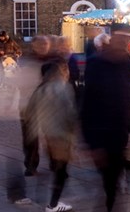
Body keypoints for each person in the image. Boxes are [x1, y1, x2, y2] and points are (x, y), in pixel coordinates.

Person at [80, 23, 130, 212]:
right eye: (123, 40)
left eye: (128, 40)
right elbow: (87, 102)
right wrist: (93, 144)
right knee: (109, 183)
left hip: (119, 131)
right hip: (101, 130)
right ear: (113, 39)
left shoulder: (127, 63)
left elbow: (129, 93)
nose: (126, 44)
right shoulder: (97, 64)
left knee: (112, 184)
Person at [25, 60, 77, 212]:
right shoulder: (63, 88)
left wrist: (34, 134)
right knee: (61, 172)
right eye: (64, 70)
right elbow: (70, 114)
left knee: (57, 169)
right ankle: (53, 205)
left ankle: (47, 201)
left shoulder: (40, 90)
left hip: (48, 135)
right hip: (61, 136)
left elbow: (30, 114)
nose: (66, 72)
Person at [17, 36, 52, 175]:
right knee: (30, 138)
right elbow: (21, 83)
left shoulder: (54, 60)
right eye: (40, 44)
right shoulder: (26, 61)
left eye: (45, 44)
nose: (43, 47)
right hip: (28, 105)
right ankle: (31, 165)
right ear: (34, 45)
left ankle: (55, 163)